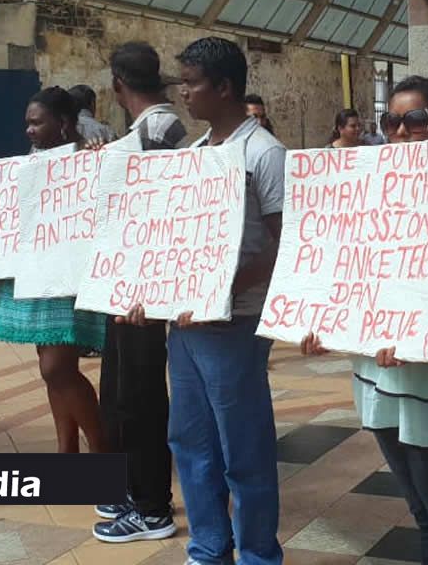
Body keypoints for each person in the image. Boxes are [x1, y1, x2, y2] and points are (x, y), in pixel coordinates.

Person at [302, 77, 428, 565]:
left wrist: (416, 328)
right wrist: (326, 321)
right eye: (391, 122)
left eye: (416, 121)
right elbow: (341, 261)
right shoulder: (367, 183)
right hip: (382, 381)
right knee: (427, 520)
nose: (401, 132)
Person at [120, 37, 284, 565]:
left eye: (191, 83)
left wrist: (218, 288)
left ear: (225, 87)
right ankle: (209, 547)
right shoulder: (192, 156)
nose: (183, 93)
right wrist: (146, 290)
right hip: (185, 326)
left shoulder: (264, 153)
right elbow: (165, 241)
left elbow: (285, 246)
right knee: (189, 443)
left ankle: (257, 553)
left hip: (233, 324)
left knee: (244, 449)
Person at [93, 41, 186, 544]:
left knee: (140, 396)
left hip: (141, 291)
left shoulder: (157, 133)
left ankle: (152, 506)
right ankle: (132, 490)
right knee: (124, 392)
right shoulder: (141, 136)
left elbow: (156, 214)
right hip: (128, 283)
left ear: (117, 85)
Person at [0, 87, 106, 456]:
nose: (29, 130)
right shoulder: (32, 161)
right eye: (27, 123)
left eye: (37, 122)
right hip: (35, 273)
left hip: (67, 277)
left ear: (64, 123)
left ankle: (103, 449)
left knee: (58, 368)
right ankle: (66, 449)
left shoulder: (90, 156)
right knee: (49, 368)